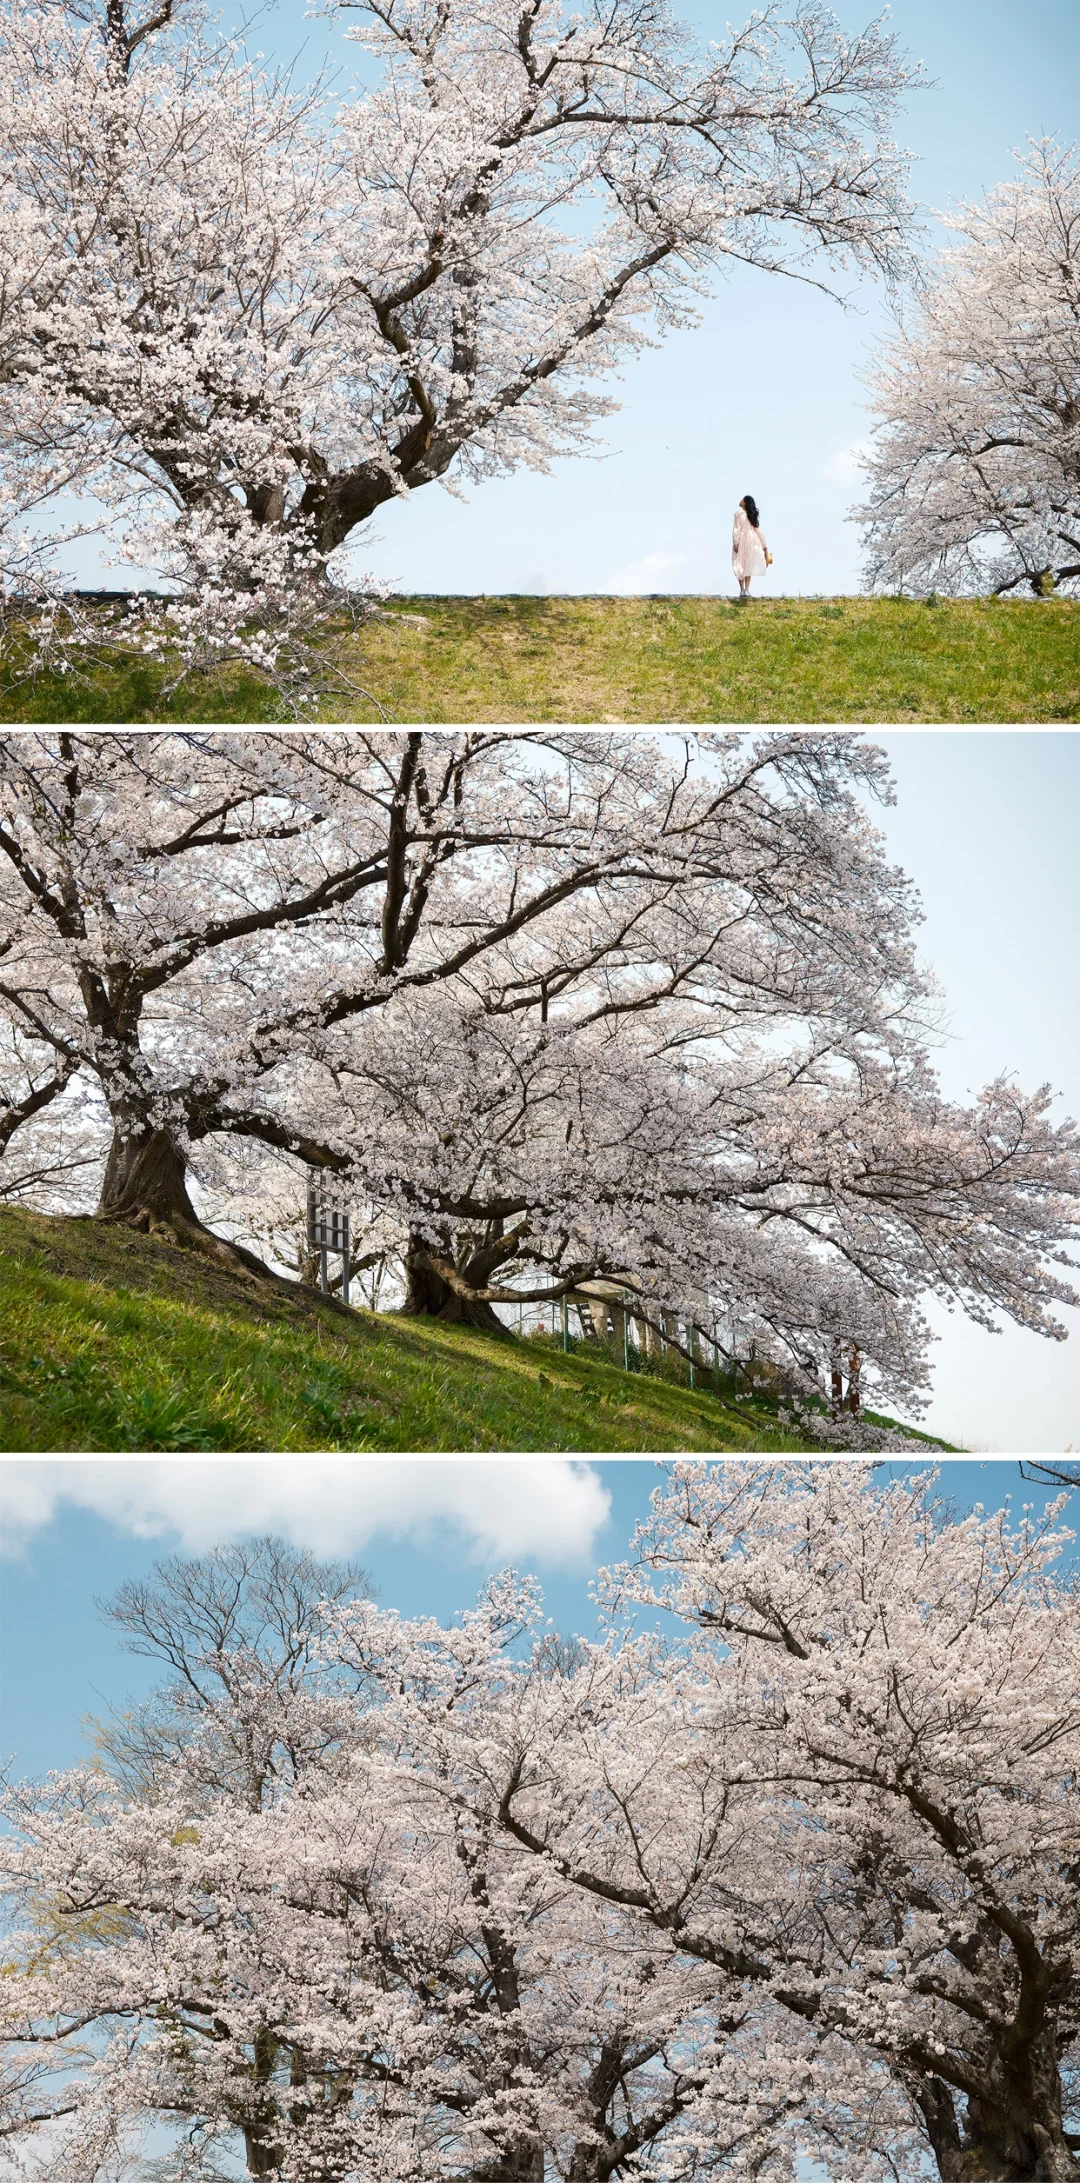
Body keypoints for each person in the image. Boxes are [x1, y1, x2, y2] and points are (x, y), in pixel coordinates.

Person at [732, 494, 772, 596]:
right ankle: (746, 590)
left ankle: (742, 590)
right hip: (752, 540)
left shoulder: (738, 514)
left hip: (742, 540)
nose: (740, 501)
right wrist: (764, 545)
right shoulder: (750, 514)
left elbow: (736, 529)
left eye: (742, 499)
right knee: (748, 565)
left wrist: (735, 543)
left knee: (740, 564)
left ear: (745, 502)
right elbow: (759, 531)